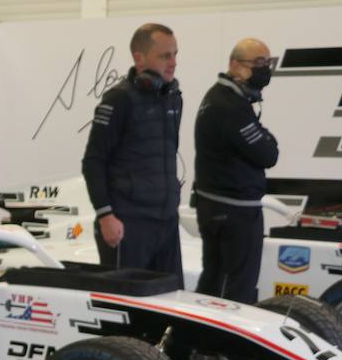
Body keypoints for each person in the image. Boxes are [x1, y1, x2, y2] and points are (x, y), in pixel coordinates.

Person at [82, 23, 184, 279]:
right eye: (164, 56)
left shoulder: (173, 97)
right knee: (127, 313)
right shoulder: (119, 100)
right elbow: (93, 161)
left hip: (166, 223)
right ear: (139, 58)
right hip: (127, 225)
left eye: (175, 54)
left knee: (172, 304)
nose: (172, 62)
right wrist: (106, 215)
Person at [193, 38, 280, 303]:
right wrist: (267, 138)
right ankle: (221, 341)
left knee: (215, 279)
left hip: (221, 206)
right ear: (234, 64)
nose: (265, 69)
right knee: (235, 287)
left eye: (268, 62)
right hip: (234, 211)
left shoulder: (222, 97)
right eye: (258, 63)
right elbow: (268, 154)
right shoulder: (230, 105)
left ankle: (204, 340)